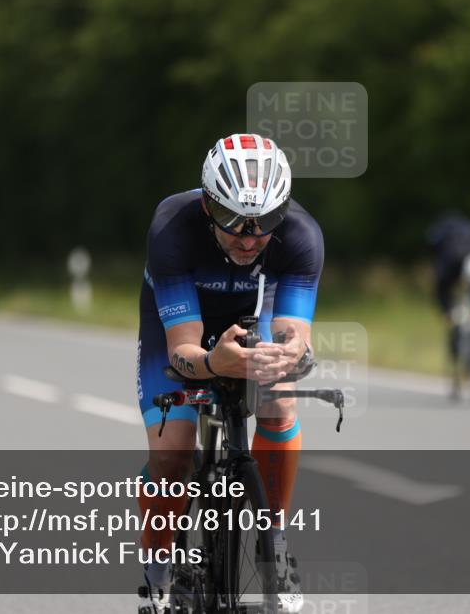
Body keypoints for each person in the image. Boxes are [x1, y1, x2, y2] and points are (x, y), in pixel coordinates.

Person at [136, 134, 323, 613]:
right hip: (182, 325)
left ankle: (274, 543)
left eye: (264, 225)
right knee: (172, 454)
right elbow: (182, 351)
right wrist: (212, 363)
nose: (248, 237)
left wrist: (291, 356)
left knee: (279, 403)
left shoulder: (302, 235)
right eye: (232, 220)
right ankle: (159, 568)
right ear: (207, 205)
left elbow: (294, 334)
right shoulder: (171, 228)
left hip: (251, 317)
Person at [426, 213, 470, 401]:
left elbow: (441, 286)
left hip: (461, 264)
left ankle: (461, 332)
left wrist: (446, 309)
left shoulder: (446, 242)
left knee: (452, 304)